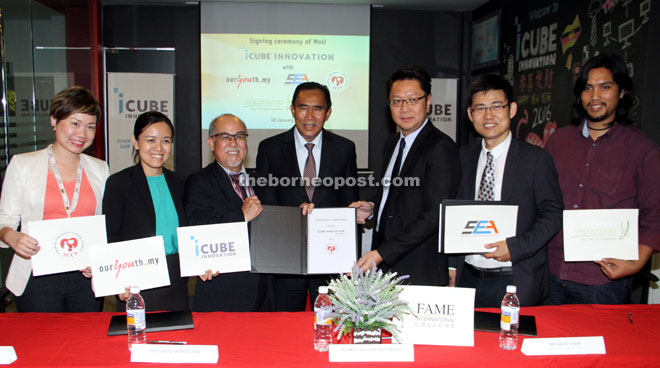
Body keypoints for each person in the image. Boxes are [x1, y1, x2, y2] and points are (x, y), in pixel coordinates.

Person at [545, 54, 660, 304]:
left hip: (603, 282)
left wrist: (635, 263)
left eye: (605, 87)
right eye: (588, 88)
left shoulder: (643, 150)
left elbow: (655, 215)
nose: (595, 96)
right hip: (549, 274)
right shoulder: (558, 142)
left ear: (621, 93)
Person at [449, 74, 563, 307]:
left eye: (496, 106)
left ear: (511, 109)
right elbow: (454, 213)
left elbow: (552, 214)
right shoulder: (463, 157)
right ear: (470, 115)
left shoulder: (536, 159)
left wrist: (515, 247)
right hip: (468, 278)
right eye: (480, 108)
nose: (488, 115)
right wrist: (452, 265)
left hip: (515, 279)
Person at [0, 86, 108, 312]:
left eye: (90, 127)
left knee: (84, 342)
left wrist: (100, 258)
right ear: (54, 120)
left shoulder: (100, 169)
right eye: (75, 123)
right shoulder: (23, 165)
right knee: (41, 344)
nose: (82, 134)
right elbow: (4, 220)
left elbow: (103, 225)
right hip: (36, 275)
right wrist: (12, 236)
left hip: (86, 277)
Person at [350, 65, 460, 286]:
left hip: (418, 267)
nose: (404, 108)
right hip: (385, 265)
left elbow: (434, 215)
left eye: (412, 100)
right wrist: (372, 208)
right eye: (396, 101)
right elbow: (393, 195)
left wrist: (383, 252)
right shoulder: (392, 142)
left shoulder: (441, 147)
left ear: (428, 101)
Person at [255, 82, 358, 311]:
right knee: (284, 328)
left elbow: (349, 206)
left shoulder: (345, 149)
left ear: (328, 113)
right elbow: (266, 208)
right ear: (292, 110)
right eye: (303, 108)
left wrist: (350, 259)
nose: (310, 116)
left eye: (318, 109)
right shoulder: (269, 149)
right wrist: (293, 216)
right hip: (286, 260)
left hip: (331, 260)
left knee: (332, 325)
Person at [103, 111, 189, 311]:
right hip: (136, 279)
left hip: (177, 277)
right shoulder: (119, 183)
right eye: (150, 140)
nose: (159, 148)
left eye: (165, 140)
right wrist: (118, 280)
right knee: (139, 338)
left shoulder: (181, 183)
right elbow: (112, 236)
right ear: (135, 142)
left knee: (178, 335)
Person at [184, 114, 264, 312]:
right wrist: (242, 216)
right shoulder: (198, 182)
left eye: (239, 136)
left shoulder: (263, 180)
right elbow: (199, 230)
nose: (234, 143)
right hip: (223, 294)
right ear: (211, 143)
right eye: (225, 137)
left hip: (265, 295)